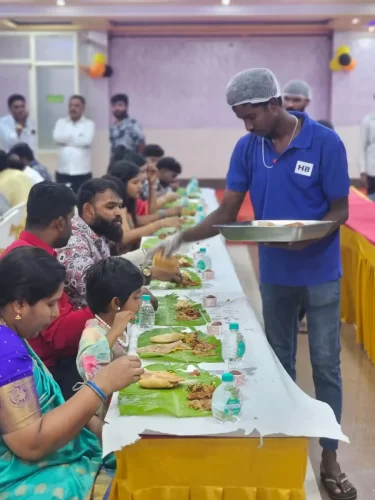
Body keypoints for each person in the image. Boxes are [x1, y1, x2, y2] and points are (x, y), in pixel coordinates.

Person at [165, 68, 356, 500]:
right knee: (279, 363)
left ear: (275, 104)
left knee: (326, 365)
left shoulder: (325, 142)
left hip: (320, 271)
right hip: (276, 273)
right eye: (241, 119)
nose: (247, 126)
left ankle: (330, 457)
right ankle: (285, 446)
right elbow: (228, 214)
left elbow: (340, 210)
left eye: (251, 116)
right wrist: (182, 235)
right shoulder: (249, 148)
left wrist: (307, 235)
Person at [0, 246, 143, 498]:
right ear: (19, 304)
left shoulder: (9, 336)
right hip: (18, 474)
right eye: (50, 303)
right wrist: (100, 386)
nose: (56, 313)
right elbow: (30, 443)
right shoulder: (6, 351)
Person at [1, 181, 94, 400]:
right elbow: (58, 337)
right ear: (60, 223)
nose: (73, 226)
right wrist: (102, 309)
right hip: (49, 368)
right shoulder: (29, 264)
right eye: (71, 219)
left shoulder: (32, 253)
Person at [57, 177, 181, 308]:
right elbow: (95, 286)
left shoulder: (96, 233)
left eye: (119, 206)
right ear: (88, 211)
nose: (118, 213)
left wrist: (149, 253)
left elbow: (110, 267)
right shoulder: (73, 242)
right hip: (89, 323)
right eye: (111, 207)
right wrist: (149, 273)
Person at [77, 258, 143, 388]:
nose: (140, 302)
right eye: (136, 297)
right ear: (116, 303)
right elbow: (88, 369)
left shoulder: (118, 323)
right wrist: (114, 332)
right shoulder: (93, 332)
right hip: (105, 405)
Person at [108, 160, 182, 249]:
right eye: (135, 182)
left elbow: (139, 220)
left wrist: (153, 184)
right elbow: (125, 237)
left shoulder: (130, 200)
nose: (140, 186)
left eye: (141, 182)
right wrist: (160, 223)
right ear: (122, 183)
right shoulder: (118, 205)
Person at [53, 95, 95, 193]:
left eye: (76, 106)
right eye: (71, 105)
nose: (73, 108)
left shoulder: (89, 124)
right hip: (62, 171)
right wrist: (77, 138)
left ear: (83, 108)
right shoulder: (61, 122)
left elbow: (87, 140)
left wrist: (66, 139)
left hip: (82, 172)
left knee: (82, 201)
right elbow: (57, 138)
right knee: (62, 202)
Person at [0, 149, 32, 216]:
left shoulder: (1, 183)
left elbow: (4, 217)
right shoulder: (22, 174)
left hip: (17, 224)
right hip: (37, 222)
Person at [360, 110, 375, 195]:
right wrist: (363, 170)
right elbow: (362, 147)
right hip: (372, 171)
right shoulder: (368, 120)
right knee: (372, 201)